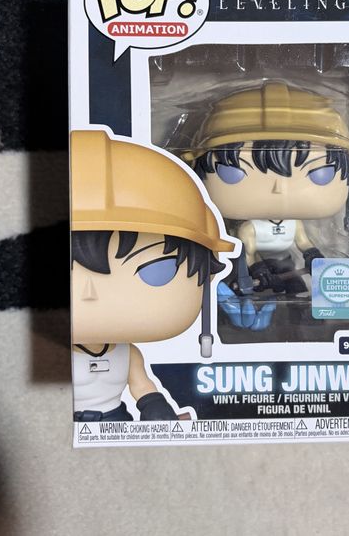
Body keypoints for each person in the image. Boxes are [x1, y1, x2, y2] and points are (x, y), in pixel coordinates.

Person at [71, 130, 236, 421]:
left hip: (117, 423)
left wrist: (162, 418)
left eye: (156, 272)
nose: (89, 293)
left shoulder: (127, 353)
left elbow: (143, 388)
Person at [185, 82, 349, 330]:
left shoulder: (294, 223)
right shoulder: (249, 228)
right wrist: (255, 272)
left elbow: (303, 243)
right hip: (259, 270)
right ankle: (243, 316)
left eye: (319, 174)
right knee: (251, 297)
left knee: (298, 291)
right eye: (234, 173)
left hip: (287, 265)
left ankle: (303, 322)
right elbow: (247, 254)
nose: (278, 188)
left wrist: (314, 258)